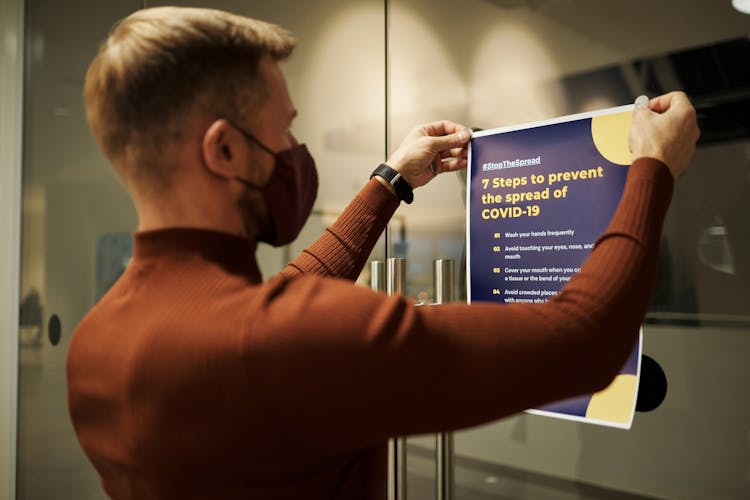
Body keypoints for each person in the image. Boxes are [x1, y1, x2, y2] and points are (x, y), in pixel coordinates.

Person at [66, 6, 699, 500]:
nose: (294, 147)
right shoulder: (285, 345)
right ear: (224, 151)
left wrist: (390, 181)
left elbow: (269, 305)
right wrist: (650, 168)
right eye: (283, 128)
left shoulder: (98, 342)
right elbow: (584, 340)